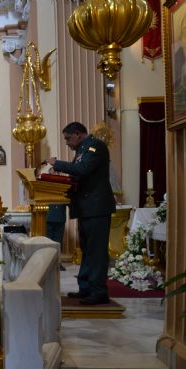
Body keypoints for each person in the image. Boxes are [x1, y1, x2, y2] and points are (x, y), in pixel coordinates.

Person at [47, 122, 116, 305]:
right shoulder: (81, 150)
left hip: (97, 208)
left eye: (68, 138)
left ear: (78, 134)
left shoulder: (96, 147)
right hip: (86, 208)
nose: (68, 143)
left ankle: (98, 291)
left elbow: (83, 170)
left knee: (96, 251)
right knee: (87, 250)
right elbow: (77, 176)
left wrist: (58, 164)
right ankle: (86, 288)